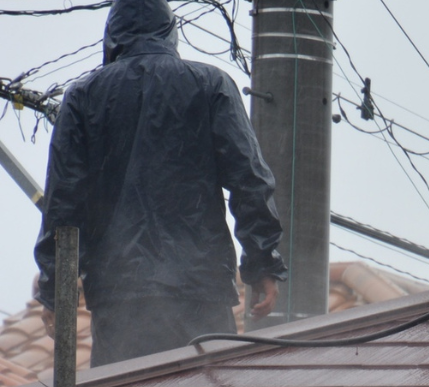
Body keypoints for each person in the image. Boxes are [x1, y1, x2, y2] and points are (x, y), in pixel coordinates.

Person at [34, 0, 286, 367]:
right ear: (171, 34)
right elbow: (250, 180)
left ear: (112, 37)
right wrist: (262, 263)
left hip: (119, 293)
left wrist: (56, 291)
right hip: (199, 289)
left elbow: (63, 203)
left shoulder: (83, 97)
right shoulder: (210, 84)